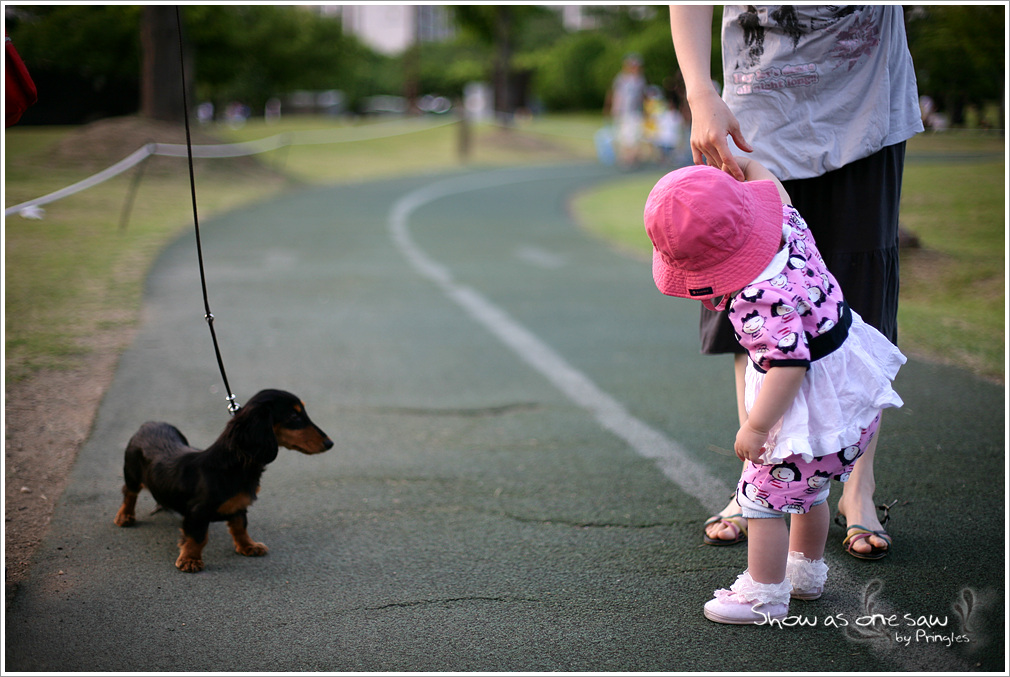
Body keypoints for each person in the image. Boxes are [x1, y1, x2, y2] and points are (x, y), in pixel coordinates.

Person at [669, 5, 923, 559]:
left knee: (857, 306)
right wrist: (699, 92)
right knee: (751, 292)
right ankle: (758, 478)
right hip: (754, 110)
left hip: (865, 108)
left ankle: (858, 489)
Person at [643, 160, 905, 624]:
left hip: (806, 409)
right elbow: (773, 189)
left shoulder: (756, 298)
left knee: (761, 501)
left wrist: (757, 425)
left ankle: (764, 596)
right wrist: (746, 164)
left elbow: (789, 364)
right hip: (848, 397)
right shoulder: (788, 227)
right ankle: (806, 575)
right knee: (814, 490)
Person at [606, 53, 647, 168]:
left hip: (635, 112)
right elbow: (616, 95)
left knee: (635, 135)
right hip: (623, 112)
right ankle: (625, 158)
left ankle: (633, 158)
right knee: (624, 136)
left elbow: (641, 96)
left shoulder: (640, 80)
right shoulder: (621, 79)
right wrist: (614, 109)